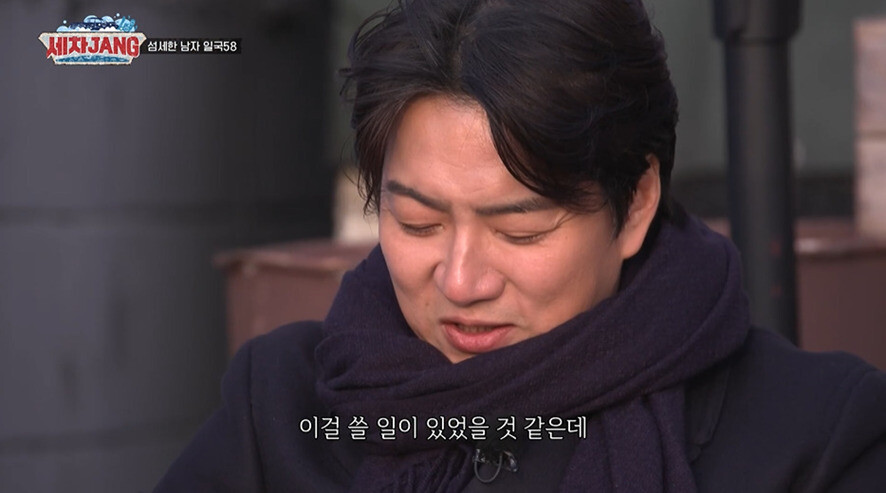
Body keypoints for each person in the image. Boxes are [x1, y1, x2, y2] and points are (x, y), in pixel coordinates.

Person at [154, 0, 886, 491]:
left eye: (520, 231)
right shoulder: (280, 407)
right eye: (418, 223)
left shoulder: (813, 434)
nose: (461, 281)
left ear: (635, 202)